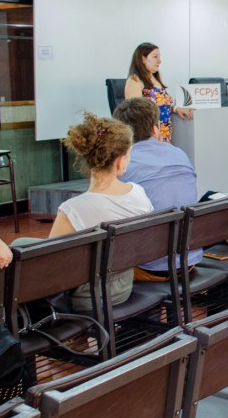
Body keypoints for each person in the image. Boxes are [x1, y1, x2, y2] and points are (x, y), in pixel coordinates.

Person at [52, 113, 153, 311]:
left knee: (21, 248)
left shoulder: (72, 210)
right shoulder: (138, 194)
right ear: (120, 162)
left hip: (87, 296)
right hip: (124, 286)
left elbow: (51, 266)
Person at [113, 97, 201, 276]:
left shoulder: (122, 165)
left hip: (149, 265)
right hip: (189, 259)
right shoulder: (179, 154)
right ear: (155, 129)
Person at [124, 42, 193, 144]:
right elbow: (134, 112)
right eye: (155, 57)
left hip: (164, 134)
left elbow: (162, 104)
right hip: (148, 136)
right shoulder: (135, 80)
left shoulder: (155, 78)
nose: (159, 61)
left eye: (159, 57)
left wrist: (175, 108)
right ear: (143, 59)